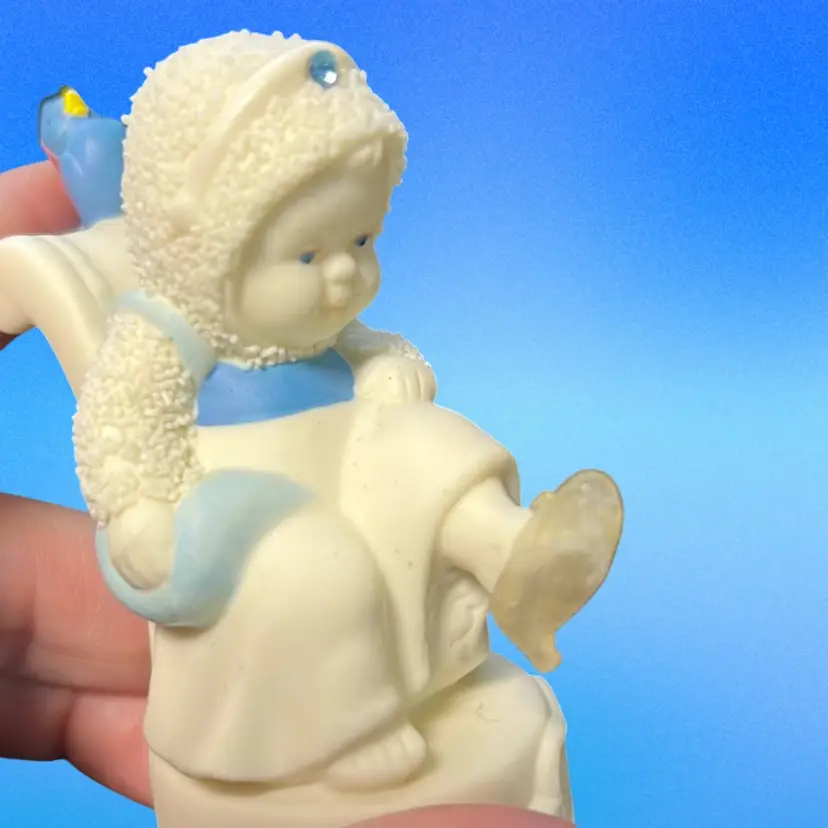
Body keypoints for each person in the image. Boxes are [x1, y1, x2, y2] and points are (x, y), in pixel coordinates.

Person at [0, 160, 574, 828]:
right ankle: (341, 730)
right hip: (242, 499)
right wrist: (136, 507)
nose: (344, 273)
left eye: (361, 242)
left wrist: (390, 364)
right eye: (308, 255)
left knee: (425, 443)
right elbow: (118, 420)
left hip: (342, 459)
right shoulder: (168, 330)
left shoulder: (321, 327)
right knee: (320, 569)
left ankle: (508, 547)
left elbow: (376, 344)